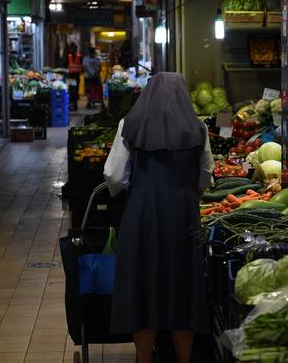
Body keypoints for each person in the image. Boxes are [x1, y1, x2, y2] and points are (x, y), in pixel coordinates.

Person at [104, 72, 215, 363]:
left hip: (141, 216)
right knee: (183, 287)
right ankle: (184, 359)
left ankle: (143, 359)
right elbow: (205, 175)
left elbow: (113, 175)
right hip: (183, 216)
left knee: (143, 287)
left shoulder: (128, 126)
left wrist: (131, 188)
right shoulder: (199, 129)